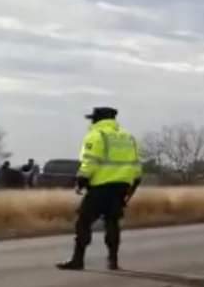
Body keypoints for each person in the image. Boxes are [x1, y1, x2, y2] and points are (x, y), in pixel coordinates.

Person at [57, 107, 143, 271]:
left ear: (98, 119)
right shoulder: (128, 137)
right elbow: (136, 164)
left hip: (100, 186)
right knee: (112, 222)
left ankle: (78, 259)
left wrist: (81, 180)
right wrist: (134, 183)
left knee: (83, 221)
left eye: (92, 118)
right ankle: (113, 261)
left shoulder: (97, 135)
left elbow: (90, 161)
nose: (91, 121)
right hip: (121, 186)